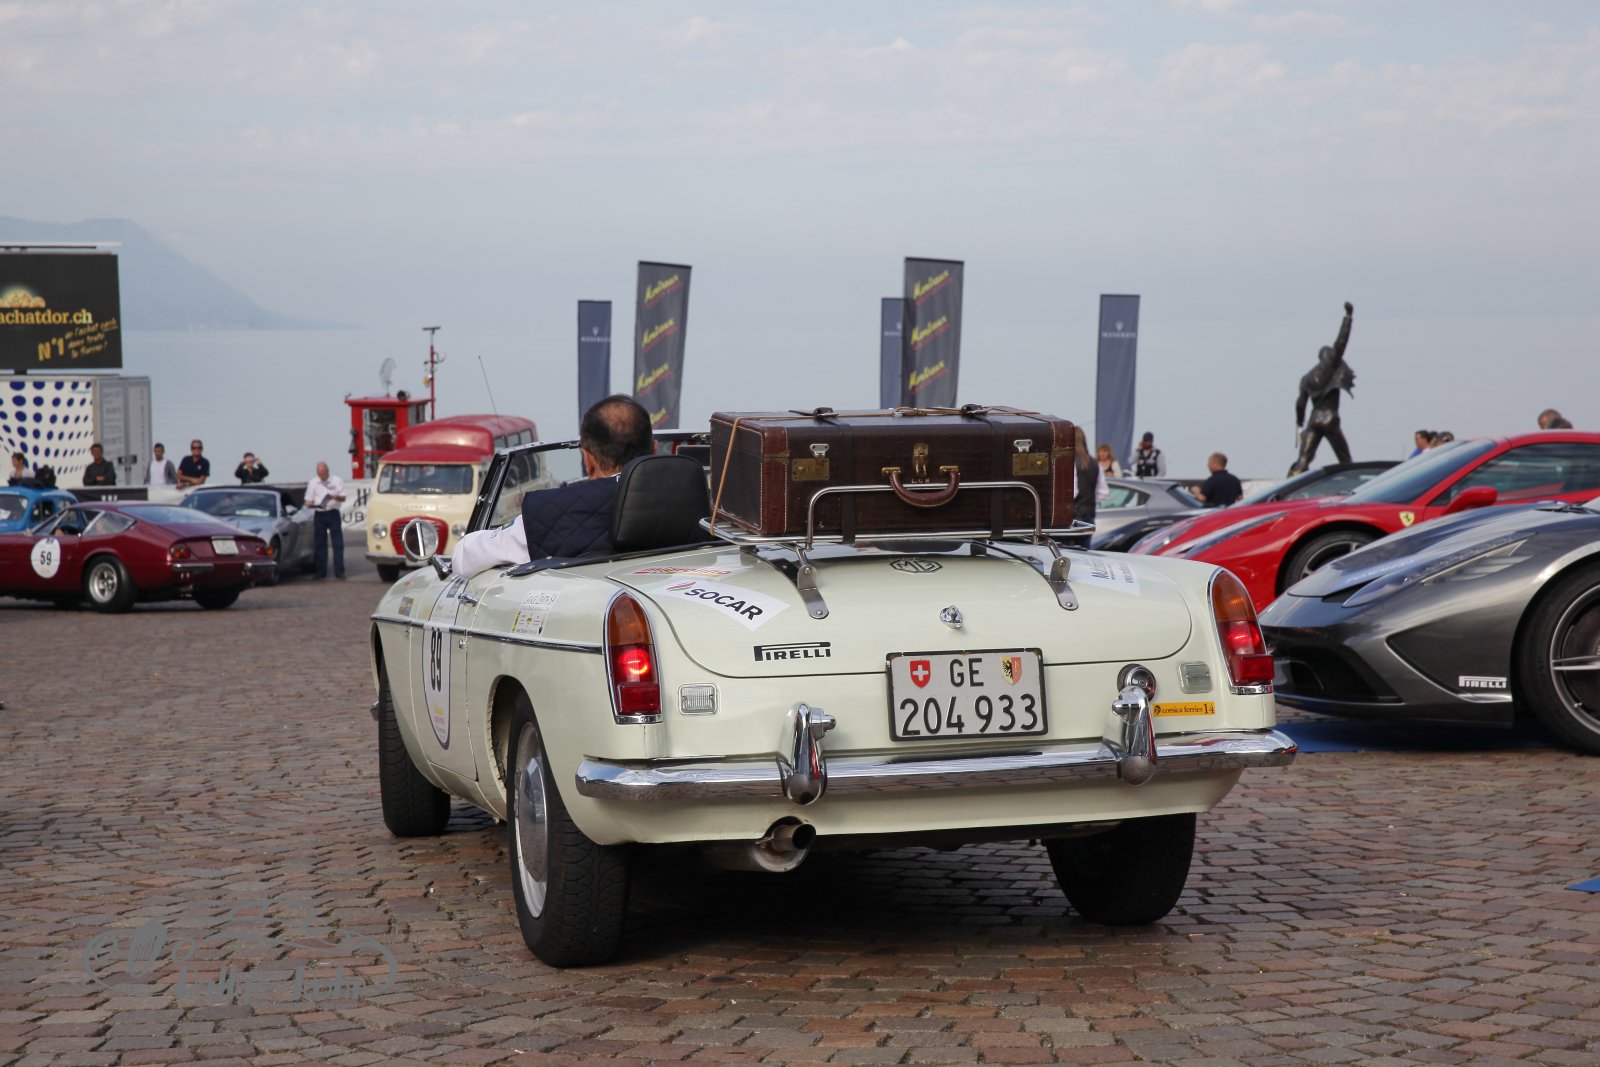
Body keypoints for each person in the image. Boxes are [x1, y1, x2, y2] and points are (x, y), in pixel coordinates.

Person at [451, 395, 654, 579]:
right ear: (653, 449)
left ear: (587, 459)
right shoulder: (675, 499)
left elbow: (464, 557)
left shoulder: (549, 512)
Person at [1290, 301, 1356, 475]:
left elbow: (1300, 404)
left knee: (1303, 459)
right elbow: (1341, 342)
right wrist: (1348, 317)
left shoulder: (1306, 378)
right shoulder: (1331, 366)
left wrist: (1300, 424)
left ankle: (1294, 481)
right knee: (1345, 459)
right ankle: (1354, 481)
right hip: (1330, 419)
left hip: (1313, 421)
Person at [305, 461, 348, 579]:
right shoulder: (313, 482)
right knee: (320, 543)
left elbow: (343, 497)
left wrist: (335, 496)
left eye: (323, 474)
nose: (321, 477)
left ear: (327, 471)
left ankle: (339, 570)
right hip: (320, 514)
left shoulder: (337, 480)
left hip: (333, 513)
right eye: (319, 474)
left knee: (337, 543)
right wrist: (309, 504)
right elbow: (308, 499)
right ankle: (321, 570)